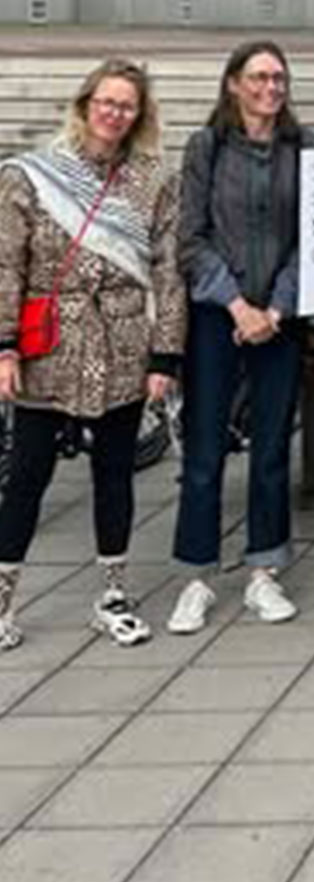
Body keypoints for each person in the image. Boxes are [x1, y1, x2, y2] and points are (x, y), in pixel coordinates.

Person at [0, 59, 184, 650]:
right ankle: (3, 598)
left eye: (126, 105)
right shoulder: (31, 176)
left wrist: (165, 357)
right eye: (106, 102)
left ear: (140, 114)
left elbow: (169, 270)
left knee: (114, 476)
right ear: (85, 105)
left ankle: (112, 592)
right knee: (26, 476)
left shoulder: (153, 181)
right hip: (48, 346)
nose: (114, 113)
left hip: (123, 346)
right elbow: (7, 263)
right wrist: (3, 346)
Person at [169, 41, 314, 633]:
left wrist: (277, 307)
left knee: (273, 447)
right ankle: (198, 575)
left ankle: (266, 569)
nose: (270, 88)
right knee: (204, 450)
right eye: (258, 77)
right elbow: (191, 236)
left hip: (281, 318)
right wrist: (235, 304)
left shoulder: (305, 148)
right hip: (217, 314)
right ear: (233, 83)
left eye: (279, 78)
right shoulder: (206, 148)